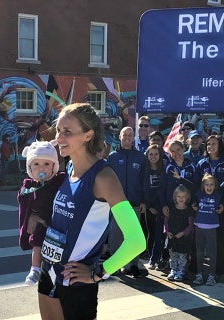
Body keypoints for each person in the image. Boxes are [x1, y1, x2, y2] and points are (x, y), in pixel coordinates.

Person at [38, 103, 145, 320]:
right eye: (58, 130)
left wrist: (100, 272)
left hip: (76, 282)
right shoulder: (69, 169)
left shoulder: (103, 177)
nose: (59, 138)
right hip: (48, 270)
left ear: (88, 135)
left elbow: (136, 241)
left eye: (67, 132)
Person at [17, 140, 65, 286]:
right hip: (39, 221)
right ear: (30, 168)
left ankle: (54, 270)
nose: (41, 168)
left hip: (55, 221)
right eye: (36, 164)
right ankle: (35, 268)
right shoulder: (30, 185)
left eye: (47, 164)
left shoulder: (59, 180)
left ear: (54, 166)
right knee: (37, 243)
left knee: (57, 247)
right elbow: (23, 199)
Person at [107, 127, 147, 278]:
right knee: (116, 235)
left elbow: (144, 181)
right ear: (120, 136)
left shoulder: (140, 157)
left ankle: (133, 265)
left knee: (134, 236)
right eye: (125, 134)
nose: (127, 137)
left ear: (133, 137)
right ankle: (115, 265)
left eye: (130, 135)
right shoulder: (112, 157)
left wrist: (144, 201)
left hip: (135, 203)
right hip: (117, 203)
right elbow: (108, 181)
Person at [195, 135, 224, 281]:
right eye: (208, 144)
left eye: (214, 144)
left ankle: (220, 271)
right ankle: (199, 271)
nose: (211, 146)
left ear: (220, 146)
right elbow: (197, 185)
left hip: (220, 208)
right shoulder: (201, 163)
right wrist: (195, 202)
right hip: (204, 209)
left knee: (220, 242)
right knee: (201, 244)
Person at [192, 173, 224, 285]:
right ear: (203, 185)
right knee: (199, 252)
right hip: (199, 227)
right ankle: (199, 274)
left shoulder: (216, 195)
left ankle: (211, 275)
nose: (209, 187)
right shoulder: (199, 195)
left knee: (212, 252)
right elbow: (190, 187)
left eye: (212, 184)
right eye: (207, 184)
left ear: (215, 186)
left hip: (211, 228)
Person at [143, 144, 167, 270]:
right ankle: (151, 257)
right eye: (151, 154)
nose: (153, 156)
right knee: (151, 232)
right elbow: (142, 188)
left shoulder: (164, 168)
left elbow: (164, 189)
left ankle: (160, 258)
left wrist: (161, 206)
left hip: (161, 206)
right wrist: (149, 206)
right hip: (149, 206)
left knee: (161, 233)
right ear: (147, 155)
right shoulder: (144, 168)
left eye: (156, 154)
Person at [164, 185, 195, 282]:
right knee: (173, 255)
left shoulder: (189, 210)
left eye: (183, 197)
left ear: (187, 198)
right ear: (175, 197)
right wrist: (167, 231)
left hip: (183, 238)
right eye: (179, 196)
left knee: (182, 256)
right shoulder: (171, 209)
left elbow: (190, 225)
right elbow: (166, 221)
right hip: (172, 237)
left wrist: (183, 233)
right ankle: (173, 270)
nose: (181, 199)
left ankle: (181, 271)